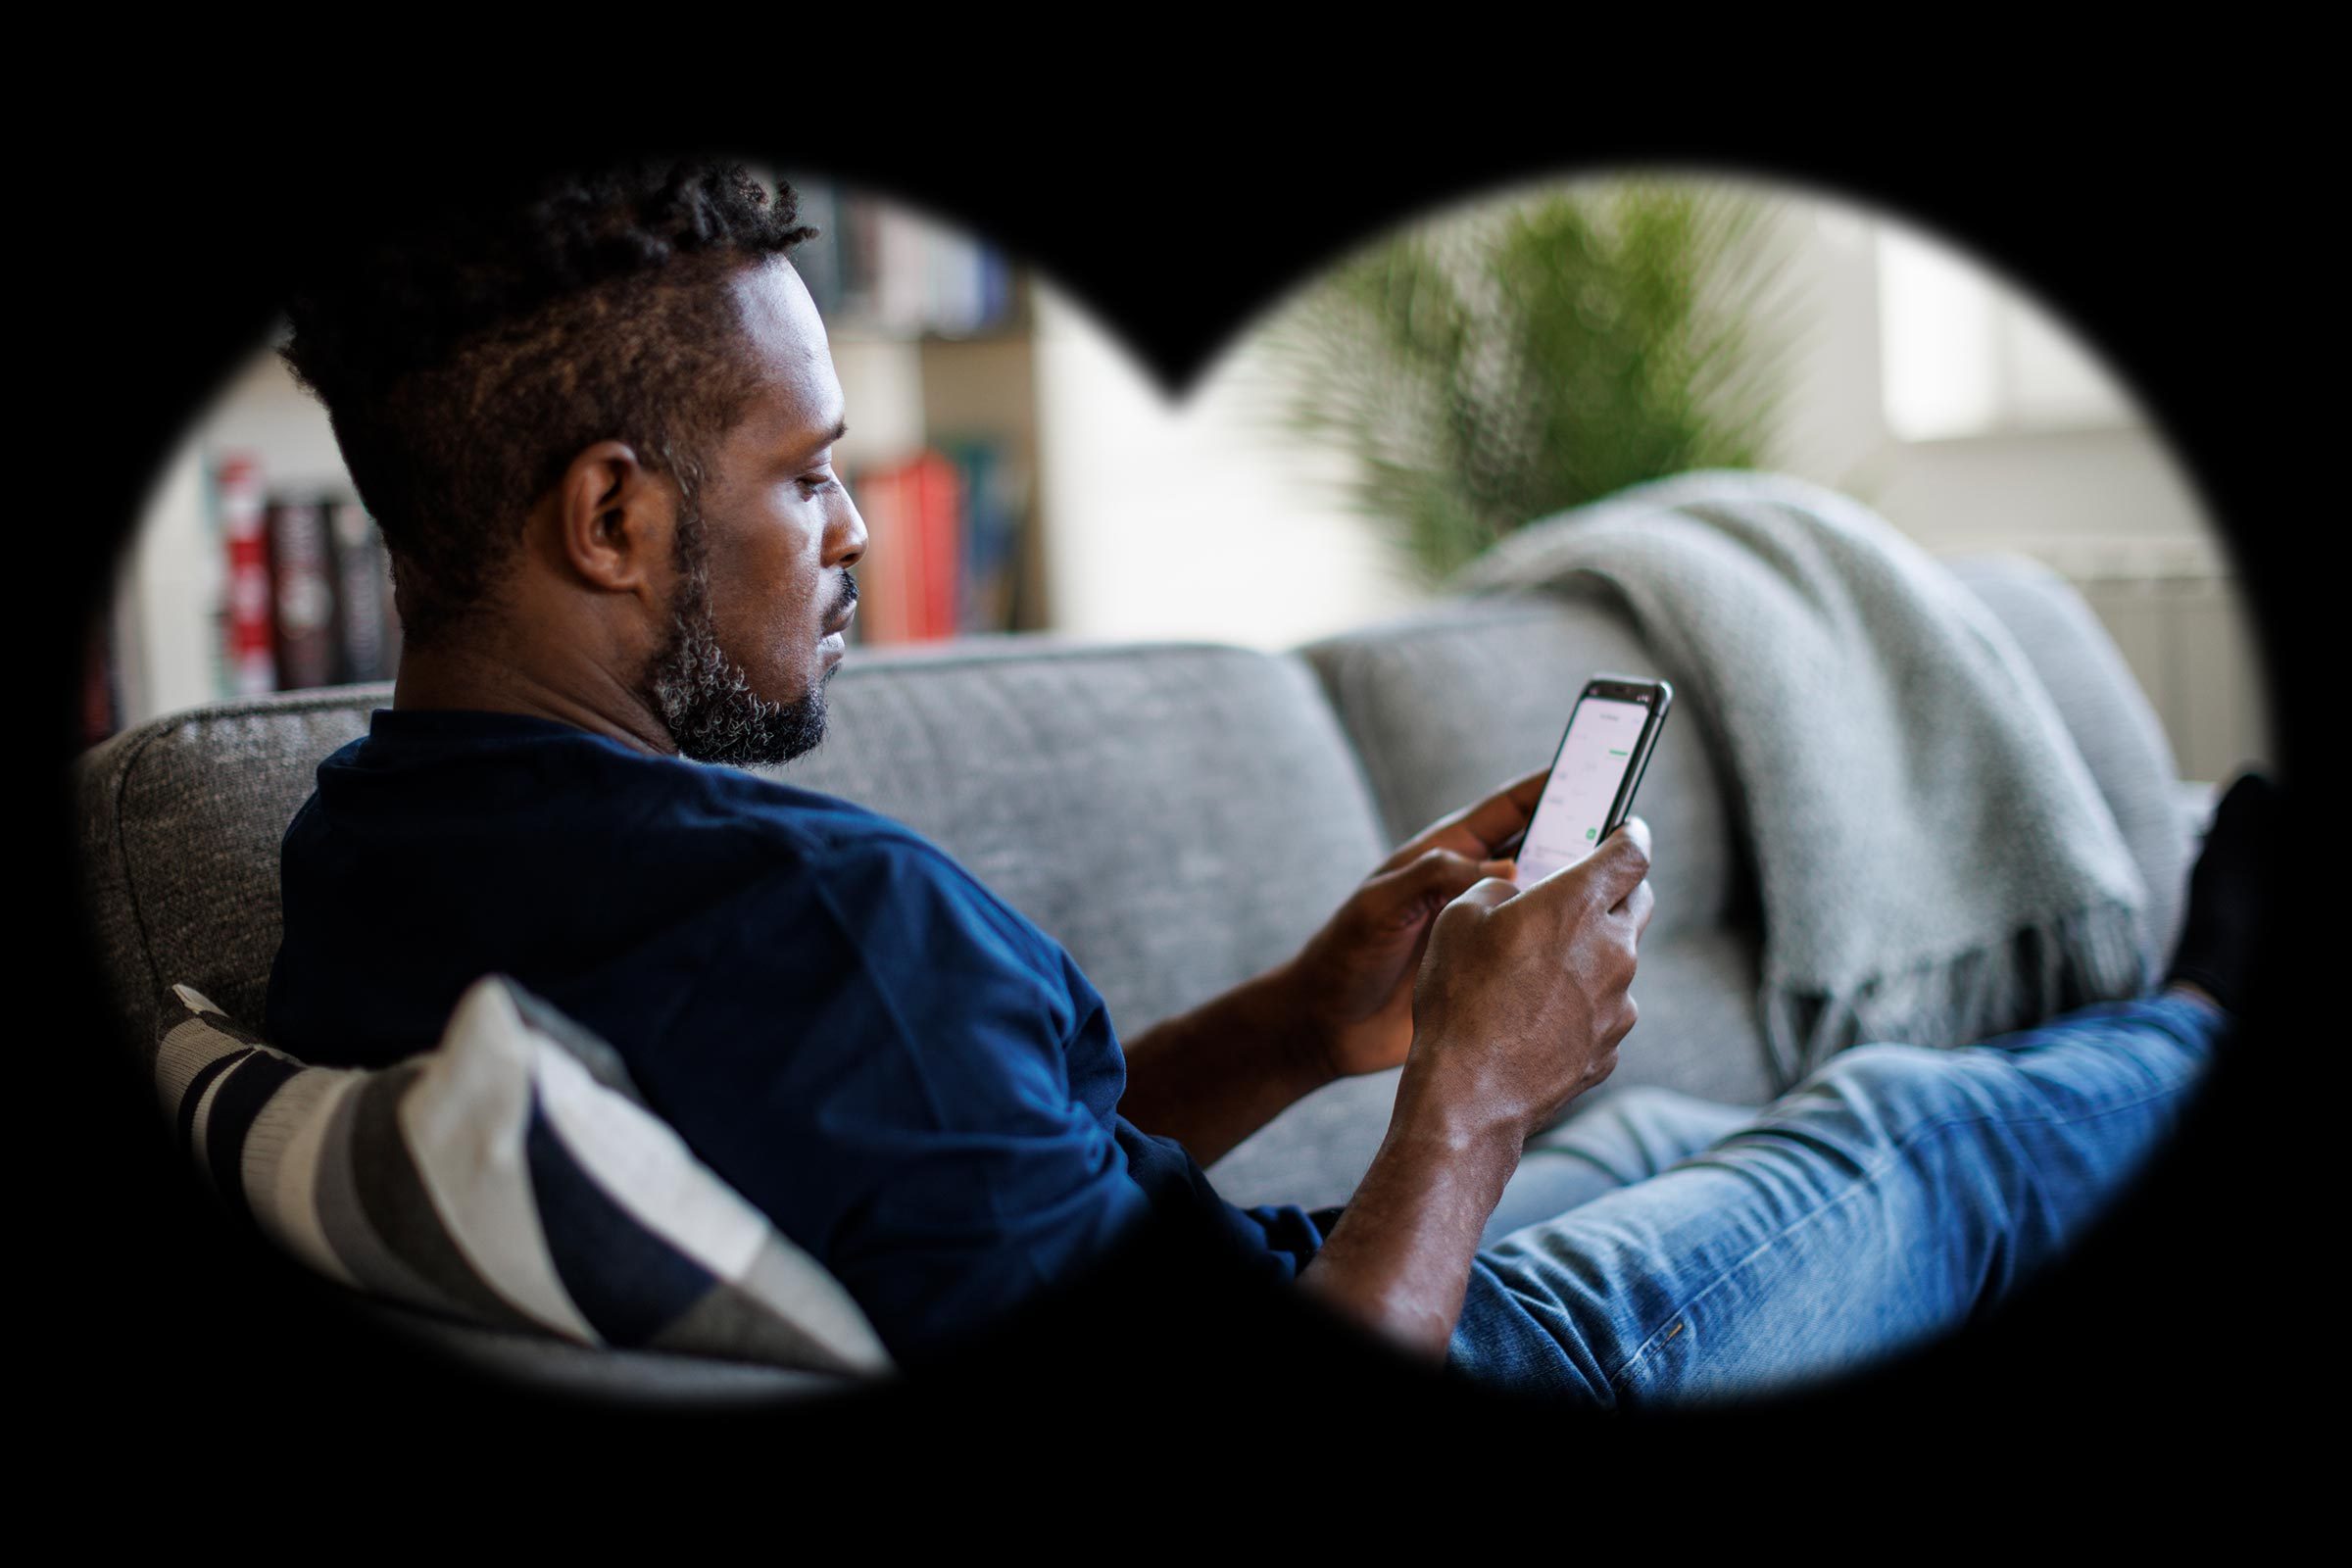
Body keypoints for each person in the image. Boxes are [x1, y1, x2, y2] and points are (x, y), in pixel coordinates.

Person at [264, 160, 2273, 1403]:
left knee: (1752, 1121)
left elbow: (953, 1185)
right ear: (613, 516)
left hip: (1316, 1245)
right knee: (1914, 1144)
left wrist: (1311, 1022)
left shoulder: (368, 851)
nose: (858, 530)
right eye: (805, 474)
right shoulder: (812, 917)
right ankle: (2205, 1001)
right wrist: (1468, 1096)